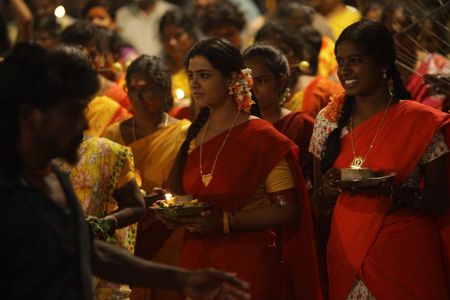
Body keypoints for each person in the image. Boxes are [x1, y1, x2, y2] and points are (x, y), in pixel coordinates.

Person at [0, 42, 250, 300]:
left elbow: (88, 251)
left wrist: (182, 279)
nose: (84, 123)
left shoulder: (53, 178)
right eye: (71, 112)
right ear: (30, 116)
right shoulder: (8, 191)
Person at [160, 37, 323, 300]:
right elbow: (193, 196)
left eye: (204, 75)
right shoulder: (191, 135)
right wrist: (173, 212)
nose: (194, 84)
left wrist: (223, 221)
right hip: (197, 262)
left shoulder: (262, 138)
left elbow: (287, 209)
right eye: (191, 75)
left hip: (247, 267)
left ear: (232, 79)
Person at [309, 20, 449, 299]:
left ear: (382, 64)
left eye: (355, 60)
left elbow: (442, 200)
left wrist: (392, 191)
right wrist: (327, 188)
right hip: (347, 251)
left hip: (405, 252)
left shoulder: (419, 121)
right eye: (341, 61)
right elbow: (317, 202)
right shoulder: (328, 121)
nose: (345, 70)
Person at [103, 55, 191, 300]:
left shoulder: (183, 133)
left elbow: (189, 187)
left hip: (168, 232)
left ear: (164, 92)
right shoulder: (113, 134)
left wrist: (169, 202)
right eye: (133, 88)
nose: (138, 97)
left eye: (147, 89)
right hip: (126, 232)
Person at [58, 135, 145, 300]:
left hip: (93, 269)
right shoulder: (24, 155)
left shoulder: (106, 151)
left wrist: (104, 224)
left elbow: (135, 205)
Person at [243, 43, 315, 189]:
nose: (252, 88)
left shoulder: (301, 125)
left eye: (262, 80)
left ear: (280, 82)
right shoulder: (235, 127)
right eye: (247, 81)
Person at [255, 22, 342, 118]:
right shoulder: (253, 94)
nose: (275, 59)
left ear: (297, 55)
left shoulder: (323, 89)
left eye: (283, 51)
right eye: (268, 54)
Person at [61, 21, 132, 134]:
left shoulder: (120, 98)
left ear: (102, 58)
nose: (85, 62)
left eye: (92, 56)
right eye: (78, 55)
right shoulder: (59, 97)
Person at [159, 8, 197, 119]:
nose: (172, 43)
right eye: (166, 38)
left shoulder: (206, 67)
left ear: (190, 35)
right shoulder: (161, 72)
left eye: (178, 36)